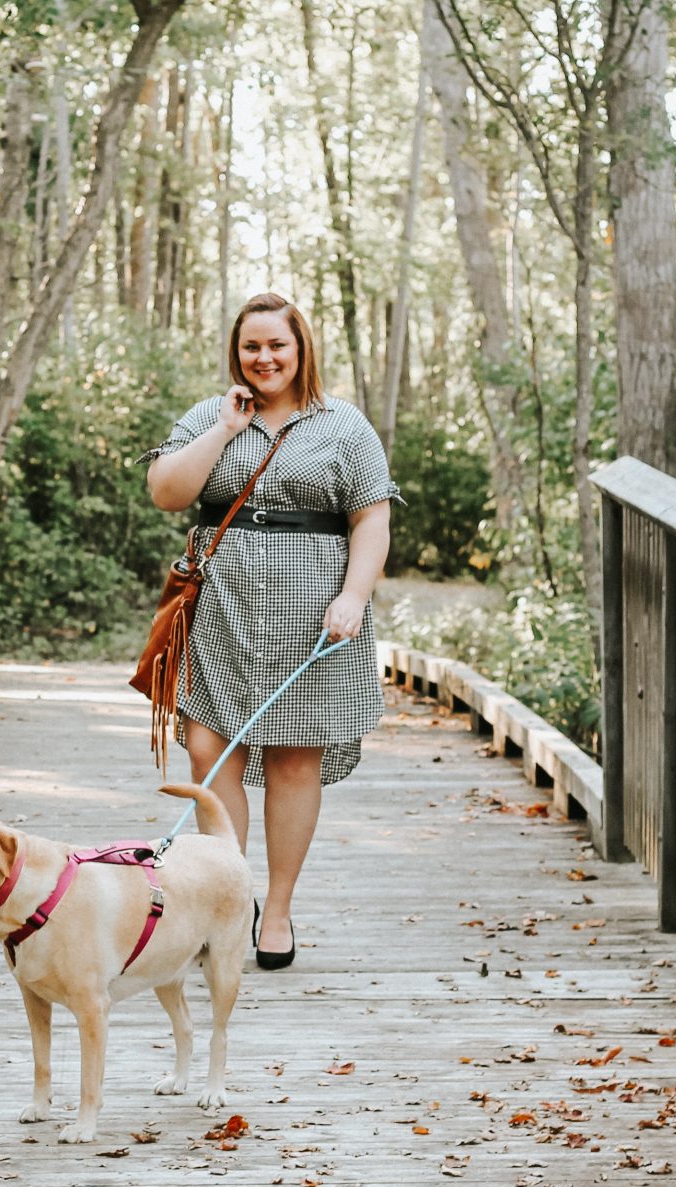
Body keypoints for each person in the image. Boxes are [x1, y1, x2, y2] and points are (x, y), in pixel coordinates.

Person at [140, 292, 397, 970]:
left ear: (301, 347)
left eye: (277, 345)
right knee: (205, 749)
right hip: (220, 610)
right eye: (252, 346)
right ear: (237, 352)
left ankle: (276, 910)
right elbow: (166, 491)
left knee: (291, 757)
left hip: (315, 616)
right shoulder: (209, 414)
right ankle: (232, 894)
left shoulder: (344, 425)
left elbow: (372, 518)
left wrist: (354, 595)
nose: (264, 357)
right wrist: (223, 430)